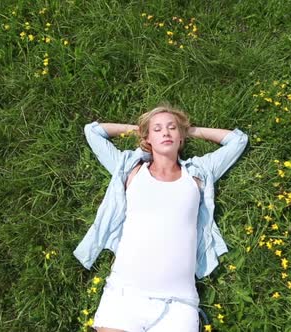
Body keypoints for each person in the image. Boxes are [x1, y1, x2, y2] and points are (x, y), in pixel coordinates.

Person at [73, 103, 249, 332]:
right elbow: (93, 132)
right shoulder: (130, 169)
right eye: (157, 129)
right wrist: (140, 130)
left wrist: (189, 130)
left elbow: (238, 140)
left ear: (181, 138)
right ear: (147, 139)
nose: (165, 132)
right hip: (124, 296)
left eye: (171, 128)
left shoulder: (199, 173)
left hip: (178, 305)